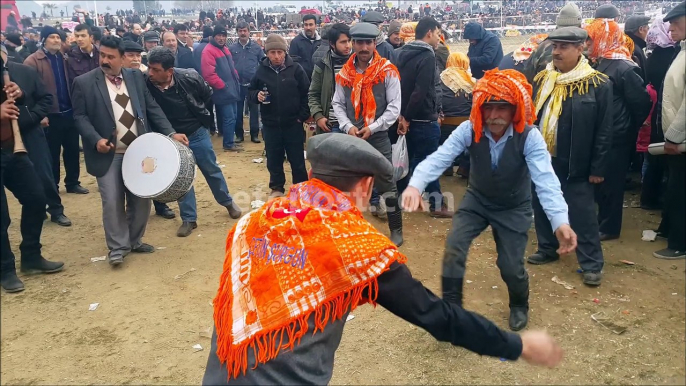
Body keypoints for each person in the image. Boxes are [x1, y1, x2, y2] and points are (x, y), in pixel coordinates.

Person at [202, 133, 564, 385]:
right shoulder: (358, 250)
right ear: (365, 187)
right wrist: (517, 345)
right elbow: (435, 315)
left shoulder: (255, 221)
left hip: (220, 375)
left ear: (311, 175)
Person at [402, 69, 576, 331]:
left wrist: (560, 222)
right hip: (477, 200)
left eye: (502, 108)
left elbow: (547, 181)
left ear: (515, 109)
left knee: (510, 265)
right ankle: (452, 309)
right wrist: (415, 185)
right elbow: (441, 157)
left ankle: (519, 304)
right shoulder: (470, 128)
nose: (494, 116)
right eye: (488, 107)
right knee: (454, 247)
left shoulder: (529, 136)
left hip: (514, 206)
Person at [71, 36, 189, 267]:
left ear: (123, 58)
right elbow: (79, 117)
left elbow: (151, 107)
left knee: (141, 199)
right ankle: (118, 248)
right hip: (108, 153)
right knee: (112, 200)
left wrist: (170, 132)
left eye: (110, 57)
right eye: (102, 55)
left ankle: (134, 240)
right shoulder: (84, 82)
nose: (104, 60)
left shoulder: (135, 78)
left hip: (138, 152)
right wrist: (95, 140)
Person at [528, 28, 614, 286]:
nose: (556, 51)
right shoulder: (543, 79)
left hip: (577, 162)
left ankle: (591, 263)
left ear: (581, 48)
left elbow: (604, 131)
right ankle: (547, 248)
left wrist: (597, 167)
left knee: (582, 213)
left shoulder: (598, 84)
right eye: (555, 45)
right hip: (543, 158)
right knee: (541, 203)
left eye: (564, 46)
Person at [145, 47, 242, 237]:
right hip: (170, 139)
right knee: (183, 178)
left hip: (196, 133)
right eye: (149, 68)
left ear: (169, 71)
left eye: (156, 70)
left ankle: (227, 202)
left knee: (211, 169)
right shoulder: (145, 84)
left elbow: (206, 97)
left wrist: (202, 122)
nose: (151, 73)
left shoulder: (190, 77)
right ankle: (189, 219)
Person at [331, 22, 404, 247]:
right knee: (350, 184)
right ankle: (352, 231)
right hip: (352, 135)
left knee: (387, 182)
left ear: (375, 44)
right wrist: (347, 126)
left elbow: (394, 107)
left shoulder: (387, 70)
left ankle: (396, 229)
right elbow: (338, 104)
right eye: (359, 42)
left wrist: (372, 127)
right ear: (353, 44)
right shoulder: (345, 72)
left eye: (368, 43)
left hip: (378, 135)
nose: (363, 47)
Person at [1, 51, 65, 293]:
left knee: (36, 198)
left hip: (13, 148)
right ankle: (5, 269)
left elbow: (43, 99)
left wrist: (22, 95)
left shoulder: (18, 71)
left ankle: (30, 256)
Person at [585, 17, 651, 241]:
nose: (587, 44)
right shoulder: (598, 62)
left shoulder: (623, 67)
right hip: (602, 133)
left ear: (604, 39)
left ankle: (610, 227)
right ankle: (601, 220)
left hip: (617, 135)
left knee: (611, 183)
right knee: (599, 180)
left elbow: (641, 102)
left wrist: (627, 126)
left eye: (591, 40)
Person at [396, 17, 451, 218]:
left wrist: (403, 116)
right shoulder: (427, 56)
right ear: (429, 32)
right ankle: (436, 204)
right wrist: (408, 117)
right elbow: (421, 91)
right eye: (437, 33)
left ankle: (403, 197)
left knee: (406, 160)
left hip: (405, 116)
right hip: (422, 118)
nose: (439, 38)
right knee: (429, 162)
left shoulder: (401, 53)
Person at [24, 26, 89, 196]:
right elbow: (29, 92)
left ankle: (73, 182)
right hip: (49, 116)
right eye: (52, 37)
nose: (56, 40)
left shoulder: (65, 58)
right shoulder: (33, 61)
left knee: (72, 149)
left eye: (58, 37)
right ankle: (53, 185)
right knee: (51, 154)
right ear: (44, 39)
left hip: (68, 111)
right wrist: (40, 115)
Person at [249, 34, 310, 199]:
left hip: (293, 124)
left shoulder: (296, 69)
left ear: (285, 52)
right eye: (272, 52)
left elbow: (307, 94)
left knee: (297, 159)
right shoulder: (261, 70)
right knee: (274, 159)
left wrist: (301, 116)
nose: (276, 56)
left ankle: (300, 189)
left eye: (280, 52)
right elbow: (250, 92)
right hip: (270, 124)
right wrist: (257, 96)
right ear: (267, 53)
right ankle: (277, 187)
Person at [654, 2, 686, 260]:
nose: (671, 27)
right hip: (677, 138)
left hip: (681, 140)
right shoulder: (682, 50)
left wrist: (674, 136)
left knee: (679, 192)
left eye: (677, 22)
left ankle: (679, 243)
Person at [641, 18, 679, 210]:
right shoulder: (671, 54)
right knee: (662, 160)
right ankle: (653, 197)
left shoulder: (653, 54)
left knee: (653, 157)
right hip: (666, 111)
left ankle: (648, 196)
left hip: (656, 109)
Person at [201, 26, 242, 152]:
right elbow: (209, 75)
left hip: (231, 89)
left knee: (233, 117)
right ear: (213, 36)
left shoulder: (224, 49)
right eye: (218, 35)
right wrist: (223, 86)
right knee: (229, 118)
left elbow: (231, 67)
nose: (221, 38)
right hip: (223, 91)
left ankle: (230, 141)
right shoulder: (208, 51)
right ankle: (228, 144)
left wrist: (235, 78)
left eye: (224, 36)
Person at [523, 2, 582, 83]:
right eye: (555, 46)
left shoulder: (542, 46)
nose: (556, 51)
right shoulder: (584, 48)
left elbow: (527, 76)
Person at [309, 23, 352, 134]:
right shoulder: (323, 64)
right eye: (343, 42)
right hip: (332, 124)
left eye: (349, 41)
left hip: (354, 124)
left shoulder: (358, 63)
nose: (347, 45)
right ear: (332, 44)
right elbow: (313, 93)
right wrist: (318, 116)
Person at [439, 52, 474, 177]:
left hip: (445, 123)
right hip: (466, 123)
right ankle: (464, 167)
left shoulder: (440, 78)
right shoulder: (470, 80)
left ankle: (447, 167)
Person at [229, 21, 265, 144]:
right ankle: (239, 135)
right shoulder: (232, 48)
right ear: (237, 32)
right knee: (237, 111)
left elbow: (263, 63)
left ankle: (254, 134)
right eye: (240, 31)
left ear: (249, 32)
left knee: (254, 111)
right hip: (237, 85)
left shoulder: (256, 48)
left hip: (252, 86)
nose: (243, 33)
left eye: (245, 30)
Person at [288, 14, 321, 80]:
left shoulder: (321, 42)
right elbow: (292, 63)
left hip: (319, 80)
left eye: (311, 25)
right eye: (306, 25)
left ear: (316, 26)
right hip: (302, 81)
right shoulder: (296, 42)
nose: (308, 27)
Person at [624, 15, 651, 85]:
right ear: (641, 29)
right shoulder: (634, 49)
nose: (649, 31)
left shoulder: (626, 44)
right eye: (648, 28)